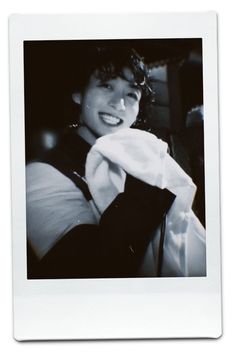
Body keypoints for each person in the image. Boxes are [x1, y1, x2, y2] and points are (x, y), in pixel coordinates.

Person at [26, 46, 204, 279]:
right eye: (106, 85)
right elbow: (84, 270)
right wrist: (149, 177)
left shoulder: (138, 160)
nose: (119, 104)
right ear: (79, 93)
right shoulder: (38, 175)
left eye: (131, 94)